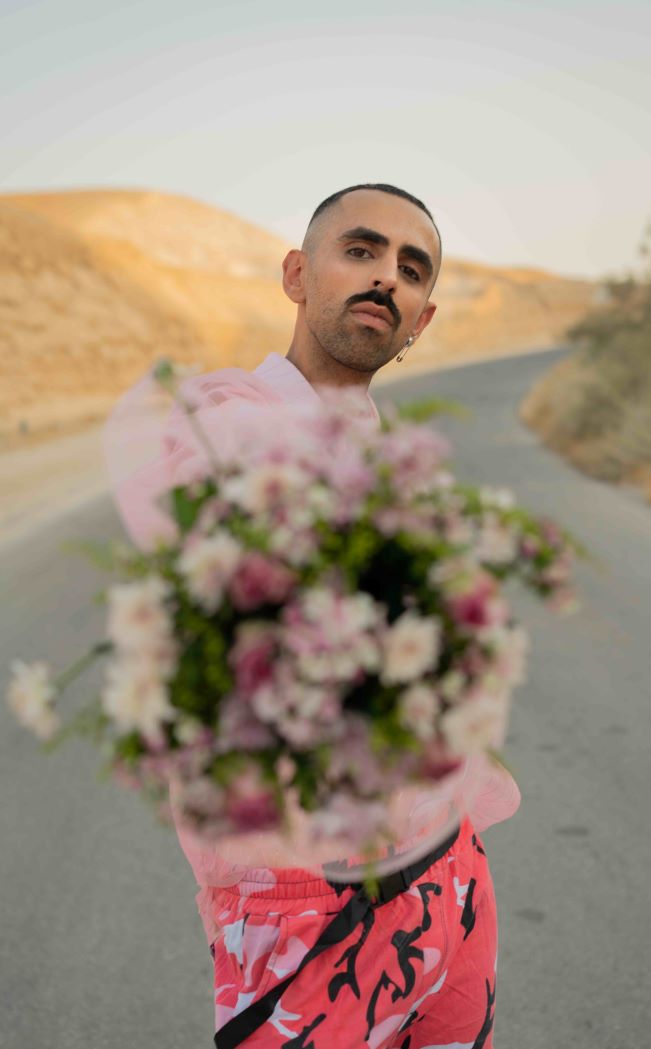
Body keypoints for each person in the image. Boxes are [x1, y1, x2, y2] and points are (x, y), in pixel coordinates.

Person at [104, 183, 520, 1048]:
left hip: (449, 875)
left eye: (412, 269)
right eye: (361, 252)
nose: (386, 280)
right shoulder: (211, 421)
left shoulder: (389, 453)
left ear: (423, 320)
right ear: (297, 274)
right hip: (307, 909)